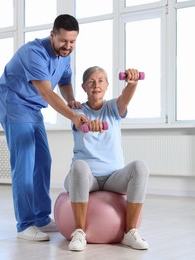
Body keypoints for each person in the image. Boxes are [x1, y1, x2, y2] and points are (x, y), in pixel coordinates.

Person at [0, 14, 88, 242]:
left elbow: (65, 81)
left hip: (34, 110)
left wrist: (72, 100)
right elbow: (46, 92)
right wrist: (74, 116)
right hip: (14, 105)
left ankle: (41, 217)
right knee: (24, 164)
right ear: (52, 35)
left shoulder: (64, 55)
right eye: (63, 41)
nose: (67, 46)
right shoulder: (33, 53)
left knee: (43, 161)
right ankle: (25, 224)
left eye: (72, 42)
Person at [64, 66, 150, 251]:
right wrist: (89, 123)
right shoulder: (76, 111)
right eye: (91, 82)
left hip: (114, 177)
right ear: (83, 87)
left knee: (140, 167)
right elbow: (79, 123)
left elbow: (125, 98)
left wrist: (132, 83)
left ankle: (130, 232)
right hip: (87, 179)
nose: (96, 85)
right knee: (79, 166)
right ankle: (79, 232)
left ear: (107, 85)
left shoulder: (113, 107)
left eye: (101, 80)